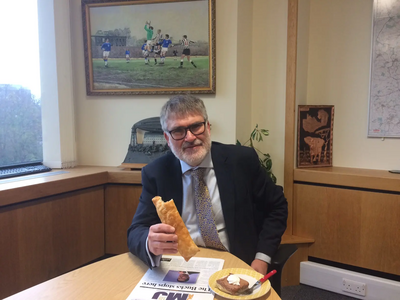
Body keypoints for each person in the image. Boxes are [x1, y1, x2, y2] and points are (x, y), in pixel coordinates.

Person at [127, 95, 288, 275]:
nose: (189, 137)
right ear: (167, 137)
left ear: (208, 127)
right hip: (180, 267)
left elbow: (277, 207)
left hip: (236, 261)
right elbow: (135, 231)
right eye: (178, 131)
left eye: (196, 126)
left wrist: (262, 258)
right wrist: (149, 242)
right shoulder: (156, 173)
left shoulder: (242, 161)